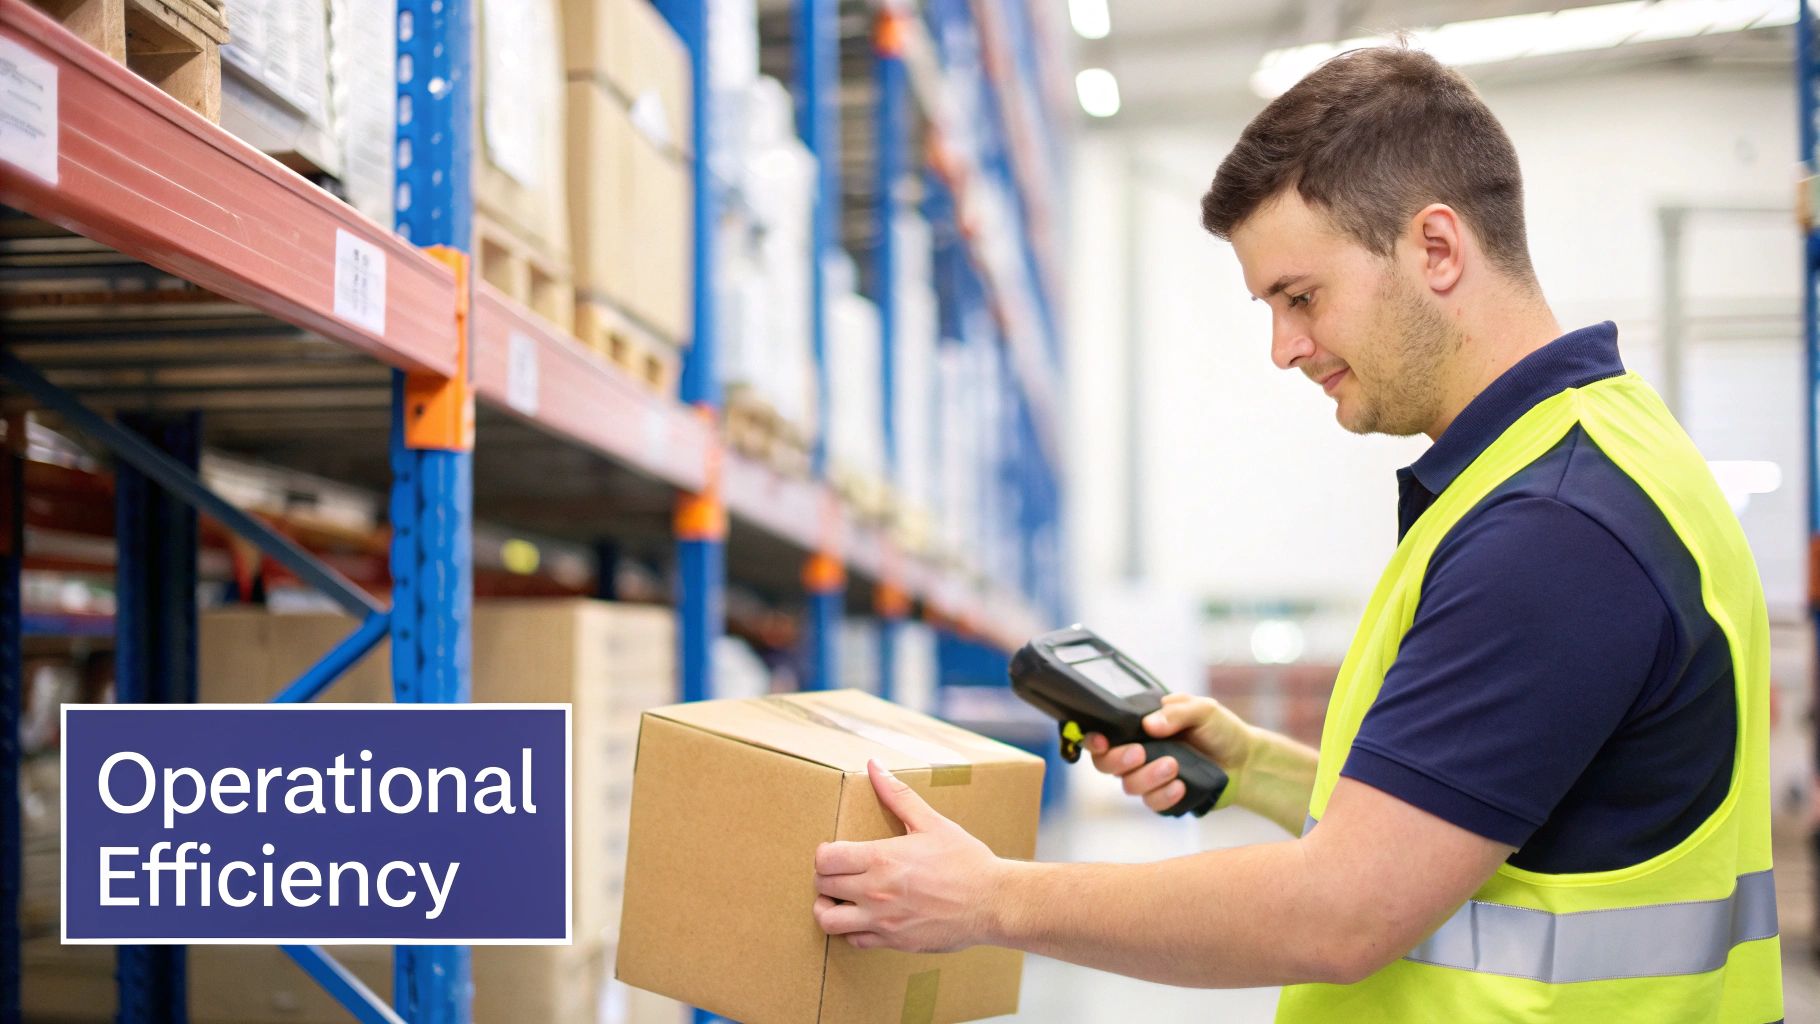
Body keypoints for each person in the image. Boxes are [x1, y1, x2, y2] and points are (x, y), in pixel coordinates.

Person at [811, 45, 1784, 1023]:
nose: (1282, 348)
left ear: (1435, 250)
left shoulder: (1550, 531)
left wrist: (989, 897)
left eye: (1299, 296)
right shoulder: (1590, 448)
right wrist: (1251, 764)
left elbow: (1339, 912)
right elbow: (1487, 815)